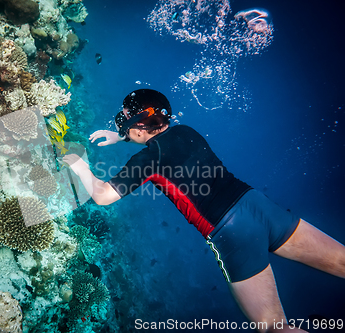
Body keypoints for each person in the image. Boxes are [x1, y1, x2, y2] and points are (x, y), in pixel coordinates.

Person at [63, 89, 345, 333]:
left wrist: (79, 165)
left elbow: (101, 196)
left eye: (126, 118)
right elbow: (162, 141)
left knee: (273, 326)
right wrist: (122, 137)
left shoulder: (148, 158)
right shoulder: (186, 131)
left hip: (231, 233)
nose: (122, 123)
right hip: (260, 207)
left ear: (139, 123)